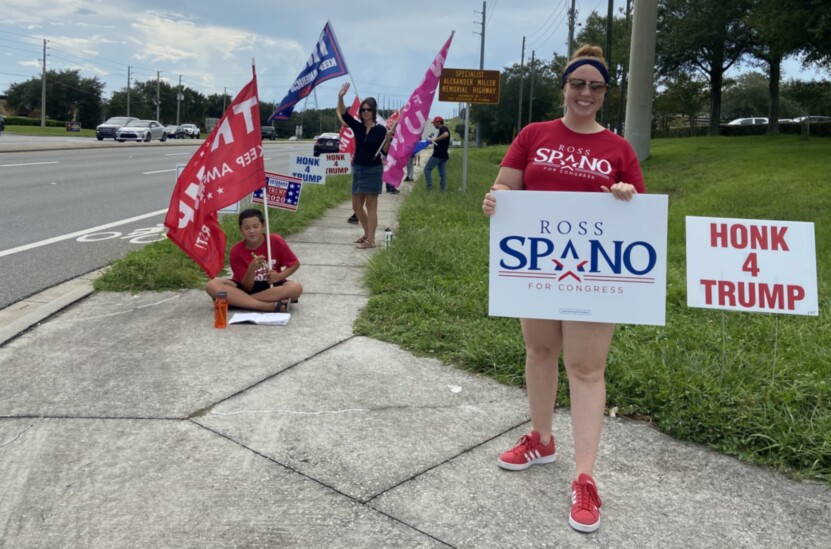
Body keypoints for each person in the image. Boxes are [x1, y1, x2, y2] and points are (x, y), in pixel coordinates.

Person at [481, 44, 645, 534]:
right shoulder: (534, 134)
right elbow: (507, 186)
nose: (585, 93)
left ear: (605, 93)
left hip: (595, 273)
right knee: (539, 351)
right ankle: (542, 438)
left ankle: (585, 477)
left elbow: (640, 212)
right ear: (565, 87)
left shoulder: (619, 148)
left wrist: (626, 196)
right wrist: (498, 198)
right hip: (537, 265)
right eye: (578, 83)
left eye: (596, 86)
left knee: (586, 369)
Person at [205, 209, 303, 312]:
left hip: (272, 287)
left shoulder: (275, 241)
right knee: (212, 285)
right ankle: (268, 306)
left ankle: (237, 301)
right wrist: (251, 269)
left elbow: (295, 264)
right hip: (245, 288)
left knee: (296, 288)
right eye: (247, 228)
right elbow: (246, 287)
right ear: (241, 229)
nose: (251, 231)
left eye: (255, 226)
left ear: (263, 226)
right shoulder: (236, 250)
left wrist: (279, 276)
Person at [336, 83, 392, 248]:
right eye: (363, 110)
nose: (365, 112)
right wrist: (340, 97)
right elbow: (344, 114)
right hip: (358, 169)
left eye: (368, 110)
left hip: (373, 170)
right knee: (356, 206)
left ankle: (371, 239)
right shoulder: (358, 127)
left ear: (373, 112)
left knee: (371, 206)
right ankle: (367, 234)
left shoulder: (381, 130)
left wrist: (388, 140)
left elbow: (385, 151)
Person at [423, 116, 450, 191]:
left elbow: (446, 134)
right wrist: (433, 141)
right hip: (443, 155)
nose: (433, 125)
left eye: (434, 123)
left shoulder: (443, 128)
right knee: (442, 174)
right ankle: (442, 190)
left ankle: (429, 188)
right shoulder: (441, 130)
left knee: (427, 169)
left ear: (438, 122)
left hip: (437, 155)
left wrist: (435, 139)